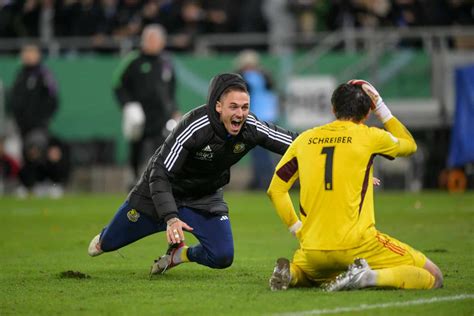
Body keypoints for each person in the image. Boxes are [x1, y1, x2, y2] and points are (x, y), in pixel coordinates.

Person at [88, 73, 298, 276]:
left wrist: (326, 141)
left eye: (245, 107)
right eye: (233, 107)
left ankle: (179, 254)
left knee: (223, 257)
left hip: (204, 197)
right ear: (218, 106)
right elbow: (159, 173)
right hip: (160, 194)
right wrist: (171, 218)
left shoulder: (251, 127)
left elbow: (297, 143)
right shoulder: (194, 126)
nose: (240, 114)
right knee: (102, 246)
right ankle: (116, 235)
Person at [267, 80, 443, 291]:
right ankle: (369, 277)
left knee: (313, 273)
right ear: (367, 113)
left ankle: (292, 274)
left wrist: (297, 229)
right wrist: (381, 108)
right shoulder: (370, 137)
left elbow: (275, 190)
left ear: (333, 109)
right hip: (358, 246)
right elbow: (409, 145)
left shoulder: (305, 139)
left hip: (312, 249)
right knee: (434, 275)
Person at [113, 24, 180, 183]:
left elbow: (171, 90)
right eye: (150, 39)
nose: (153, 43)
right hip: (139, 113)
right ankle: (133, 176)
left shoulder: (166, 62)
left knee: (162, 147)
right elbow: (117, 84)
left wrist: (174, 109)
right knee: (136, 146)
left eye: (156, 40)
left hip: (160, 114)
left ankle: (158, 179)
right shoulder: (133, 60)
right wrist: (127, 105)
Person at [236, 49, 279, 190]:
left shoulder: (245, 77)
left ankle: (262, 181)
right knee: (266, 152)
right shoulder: (265, 75)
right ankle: (263, 180)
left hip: (256, 118)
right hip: (270, 117)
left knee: (259, 154)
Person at [10, 43, 58, 144]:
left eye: (31, 52)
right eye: (25, 52)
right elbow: (15, 98)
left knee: (36, 151)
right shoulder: (20, 74)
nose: (27, 55)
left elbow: (53, 99)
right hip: (20, 126)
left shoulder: (45, 74)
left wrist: (41, 120)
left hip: (37, 127)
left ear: (38, 55)